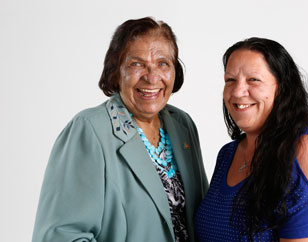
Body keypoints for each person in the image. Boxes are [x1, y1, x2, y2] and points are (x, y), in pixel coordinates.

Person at [32, 17, 208, 242]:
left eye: (163, 63)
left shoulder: (182, 125)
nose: (152, 76)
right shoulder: (90, 130)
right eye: (137, 64)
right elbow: (61, 236)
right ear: (116, 71)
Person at [194, 38, 308, 241]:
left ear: (282, 88)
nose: (237, 91)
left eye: (253, 80)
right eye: (230, 80)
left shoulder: (305, 151)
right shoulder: (227, 155)